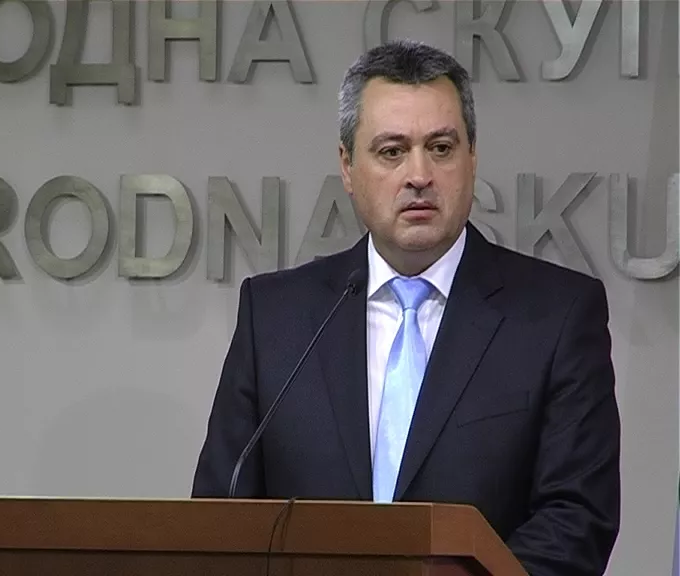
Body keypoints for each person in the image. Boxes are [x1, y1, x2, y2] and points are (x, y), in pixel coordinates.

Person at [191, 39, 620, 576]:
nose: (419, 174)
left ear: (472, 157)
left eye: (440, 147)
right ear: (348, 166)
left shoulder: (558, 314)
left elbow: (575, 521)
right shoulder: (276, 317)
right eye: (392, 151)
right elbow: (219, 518)